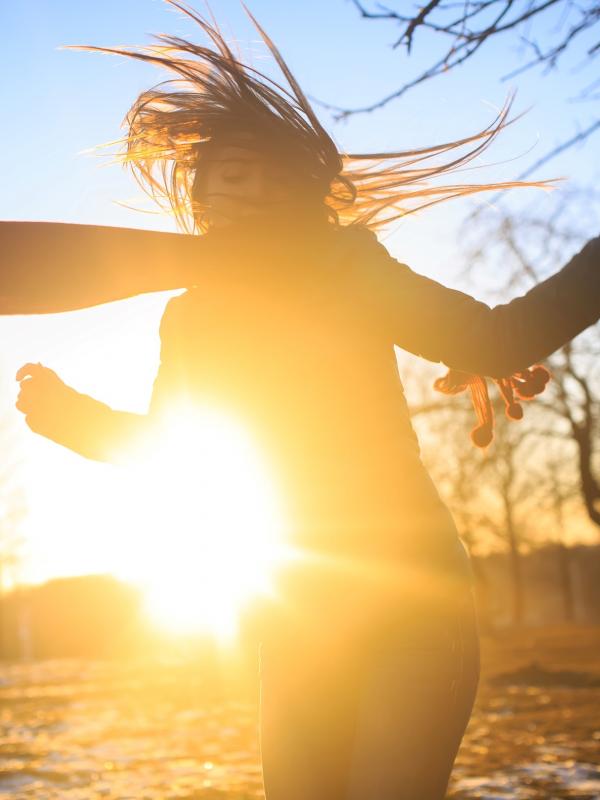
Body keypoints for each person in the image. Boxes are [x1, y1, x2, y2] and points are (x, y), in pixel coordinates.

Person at [4, 2, 600, 798]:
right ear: (201, 191)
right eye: (230, 176)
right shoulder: (190, 313)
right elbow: (173, 451)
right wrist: (73, 418)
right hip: (294, 615)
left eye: (268, 177)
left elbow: (491, 341)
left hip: (411, 600)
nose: (248, 194)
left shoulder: (350, 271)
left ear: (301, 190)